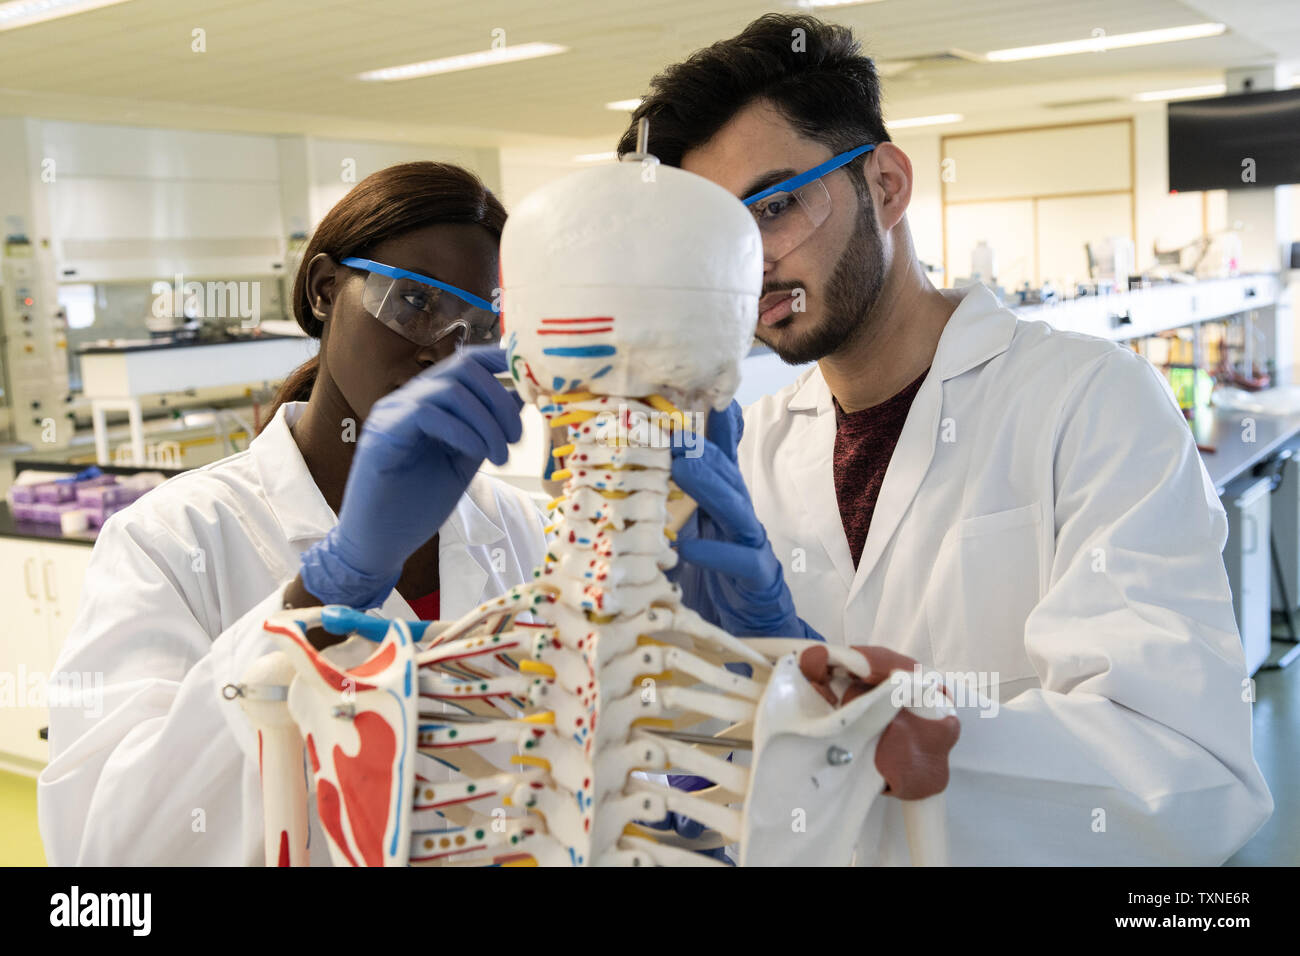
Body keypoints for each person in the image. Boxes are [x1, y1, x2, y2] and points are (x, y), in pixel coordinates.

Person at [628, 14, 1273, 865]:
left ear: (887, 185)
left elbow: (1184, 769)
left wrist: (893, 735)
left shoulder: (1092, 403)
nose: (754, 264)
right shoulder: (751, 451)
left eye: (775, 207)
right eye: (720, 240)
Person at [38, 162, 546, 865]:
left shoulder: (522, 527)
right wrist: (329, 587)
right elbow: (106, 848)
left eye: (480, 328)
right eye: (415, 301)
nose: (443, 349)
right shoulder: (172, 538)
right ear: (324, 288)